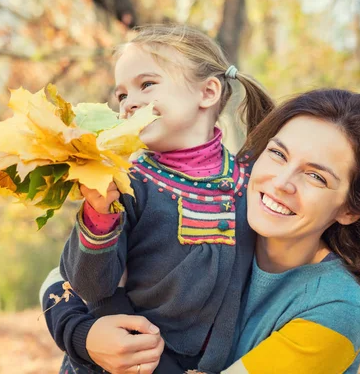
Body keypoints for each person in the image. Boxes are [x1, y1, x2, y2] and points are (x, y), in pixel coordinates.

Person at [42, 89, 360, 374]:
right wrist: (84, 337)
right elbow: (59, 278)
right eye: (278, 154)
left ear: (351, 209)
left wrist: (103, 333)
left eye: (316, 176)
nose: (281, 183)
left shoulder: (337, 309)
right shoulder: (215, 211)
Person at [53, 23, 274, 374]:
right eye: (121, 95)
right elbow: (89, 286)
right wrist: (98, 213)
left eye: (147, 84)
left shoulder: (250, 181)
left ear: (208, 92)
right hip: (126, 362)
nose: (129, 104)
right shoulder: (126, 183)